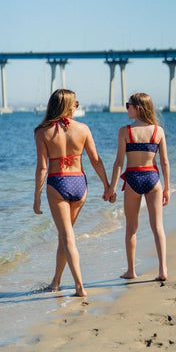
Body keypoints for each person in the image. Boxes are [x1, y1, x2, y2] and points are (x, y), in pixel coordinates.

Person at [34, 89, 111, 297]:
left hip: (57, 183)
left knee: (67, 236)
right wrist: (107, 185)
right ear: (69, 106)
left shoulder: (42, 132)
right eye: (75, 104)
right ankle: (56, 282)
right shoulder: (83, 129)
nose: (76, 107)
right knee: (64, 237)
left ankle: (79, 287)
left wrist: (37, 198)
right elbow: (96, 160)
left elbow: (42, 168)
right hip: (80, 183)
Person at [105, 93, 170, 281]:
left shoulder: (125, 132)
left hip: (133, 178)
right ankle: (162, 269)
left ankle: (131, 271)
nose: (127, 108)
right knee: (158, 226)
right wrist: (167, 187)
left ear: (138, 108)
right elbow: (164, 162)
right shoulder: (158, 131)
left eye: (128, 105)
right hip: (152, 178)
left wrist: (112, 188)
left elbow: (118, 162)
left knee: (131, 227)